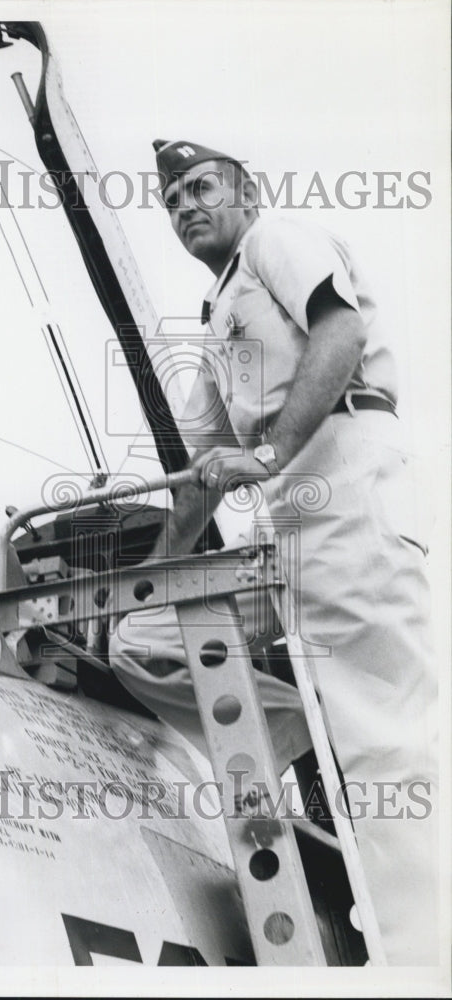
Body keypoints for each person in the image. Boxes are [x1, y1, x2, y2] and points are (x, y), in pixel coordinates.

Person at [108, 138, 438, 965]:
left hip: (347, 478)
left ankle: (425, 963)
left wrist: (266, 454)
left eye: (200, 186)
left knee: (385, 753)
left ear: (246, 194)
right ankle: (300, 726)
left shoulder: (276, 242)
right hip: (285, 522)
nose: (184, 205)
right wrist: (147, 584)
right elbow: (197, 476)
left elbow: (343, 329)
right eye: (171, 197)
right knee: (144, 642)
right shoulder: (217, 314)